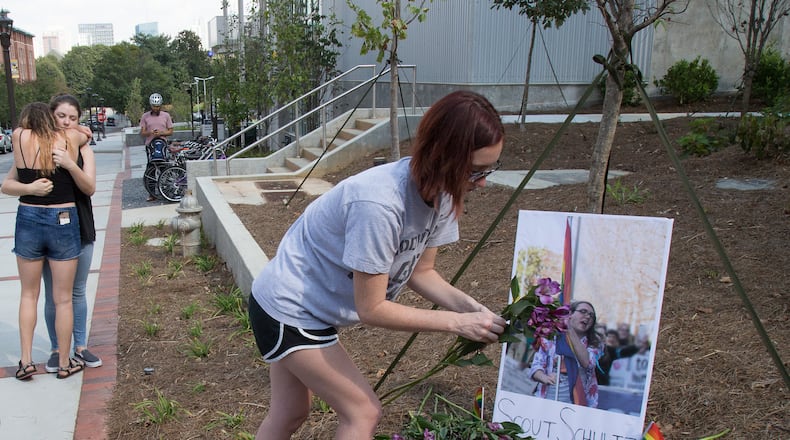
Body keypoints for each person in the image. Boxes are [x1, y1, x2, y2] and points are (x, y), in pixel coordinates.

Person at [248, 90, 507, 439]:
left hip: (309, 308)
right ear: (444, 157)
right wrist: (458, 323)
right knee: (362, 413)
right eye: (475, 171)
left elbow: (422, 271)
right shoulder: (379, 203)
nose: (483, 181)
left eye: (489, 169)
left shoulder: (443, 194)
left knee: (290, 412)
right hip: (288, 308)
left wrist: (477, 312)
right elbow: (371, 308)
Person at [2, 94, 102, 373]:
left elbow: (8, 183)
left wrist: (30, 189)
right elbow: (82, 135)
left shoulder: (20, 137)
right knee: (63, 298)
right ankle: (63, 362)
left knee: (29, 295)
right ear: (50, 116)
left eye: (72, 118)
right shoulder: (71, 140)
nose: (67, 122)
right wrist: (81, 130)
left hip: (28, 218)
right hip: (63, 219)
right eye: (61, 117)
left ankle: (25, 362)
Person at [529, 301, 603, 407]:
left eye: (591, 315)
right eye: (583, 312)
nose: (587, 317)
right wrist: (545, 378)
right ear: (570, 314)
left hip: (577, 403)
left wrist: (570, 331)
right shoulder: (551, 337)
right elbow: (536, 366)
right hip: (547, 398)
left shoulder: (595, 344)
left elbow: (587, 363)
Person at [139, 92, 173, 201]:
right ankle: (151, 193)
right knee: (151, 168)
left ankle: (166, 190)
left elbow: (170, 131)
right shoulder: (145, 116)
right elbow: (142, 133)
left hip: (162, 143)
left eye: (158, 106)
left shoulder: (166, 116)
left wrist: (161, 133)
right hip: (150, 145)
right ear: (151, 106)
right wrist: (151, 133)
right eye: (154, 106)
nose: (156, 108)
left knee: (164, 167)